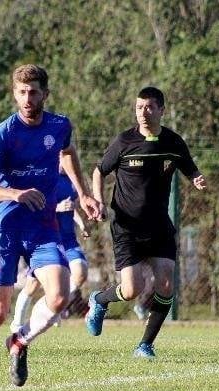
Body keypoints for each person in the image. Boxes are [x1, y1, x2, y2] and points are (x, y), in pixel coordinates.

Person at [0, 64, 101, 391]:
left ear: (45, 94)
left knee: (61, 294)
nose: (27, 98)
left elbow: (66, 152)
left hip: (42, 226)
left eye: (33, 91)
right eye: (21, 92)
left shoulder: (60, 126)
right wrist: (15, 193)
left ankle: (19, 341)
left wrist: (83, 194)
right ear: (14, 94)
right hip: (5, 227)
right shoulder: (3, 134)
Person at [85, 86, 207, 359]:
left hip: (159, 226)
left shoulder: (173, 142)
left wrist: (197, 178)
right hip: (126, 227)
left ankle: (145, 345)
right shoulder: (124, 141)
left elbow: (190, 167)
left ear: (161, 110)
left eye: (149, 107)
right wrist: (98, 201)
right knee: (132, 290)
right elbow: (98, 171)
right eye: (139, 107)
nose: (143, 112)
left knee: (166, 284)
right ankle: (99, 299)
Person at [10, 170, 91, 331]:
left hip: (68, 240)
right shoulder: (42, 176)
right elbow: (33, 209)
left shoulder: (72, 180)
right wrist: (57, 208)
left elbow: (71, 206)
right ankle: (17, 323)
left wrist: (82, 224)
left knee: (80, 272)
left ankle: (50, 302)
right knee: (32, 286)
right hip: (47, 240)